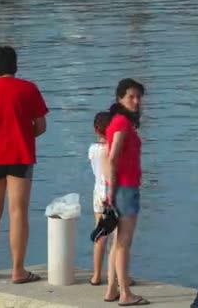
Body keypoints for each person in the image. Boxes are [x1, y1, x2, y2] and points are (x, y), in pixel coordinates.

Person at [0, 46, 48, 284]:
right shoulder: (29, 89)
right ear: (15, 66)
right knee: (18, 212)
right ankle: (18, 270)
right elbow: (41, 126)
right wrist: (23, 135)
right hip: (21, 157)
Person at [103, 78, 150, 306]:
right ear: (120, 98)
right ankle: (125, 294)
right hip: (125, 188)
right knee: (124, 243)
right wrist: (111, 191)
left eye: (138, 96)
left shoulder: (119, 121)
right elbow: (112, 158)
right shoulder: (121, 123)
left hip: (123, 187)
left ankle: (112, 289)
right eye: (130, 96)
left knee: (116, 243)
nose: (136, 100)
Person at [88, 111, 112, 286]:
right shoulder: (111, 150)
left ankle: (96, 275)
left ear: (96, 129)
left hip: (97, 192)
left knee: (100, 234)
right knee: (118, 239)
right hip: (110, 192)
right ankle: (117, 275)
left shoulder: (93, 149)